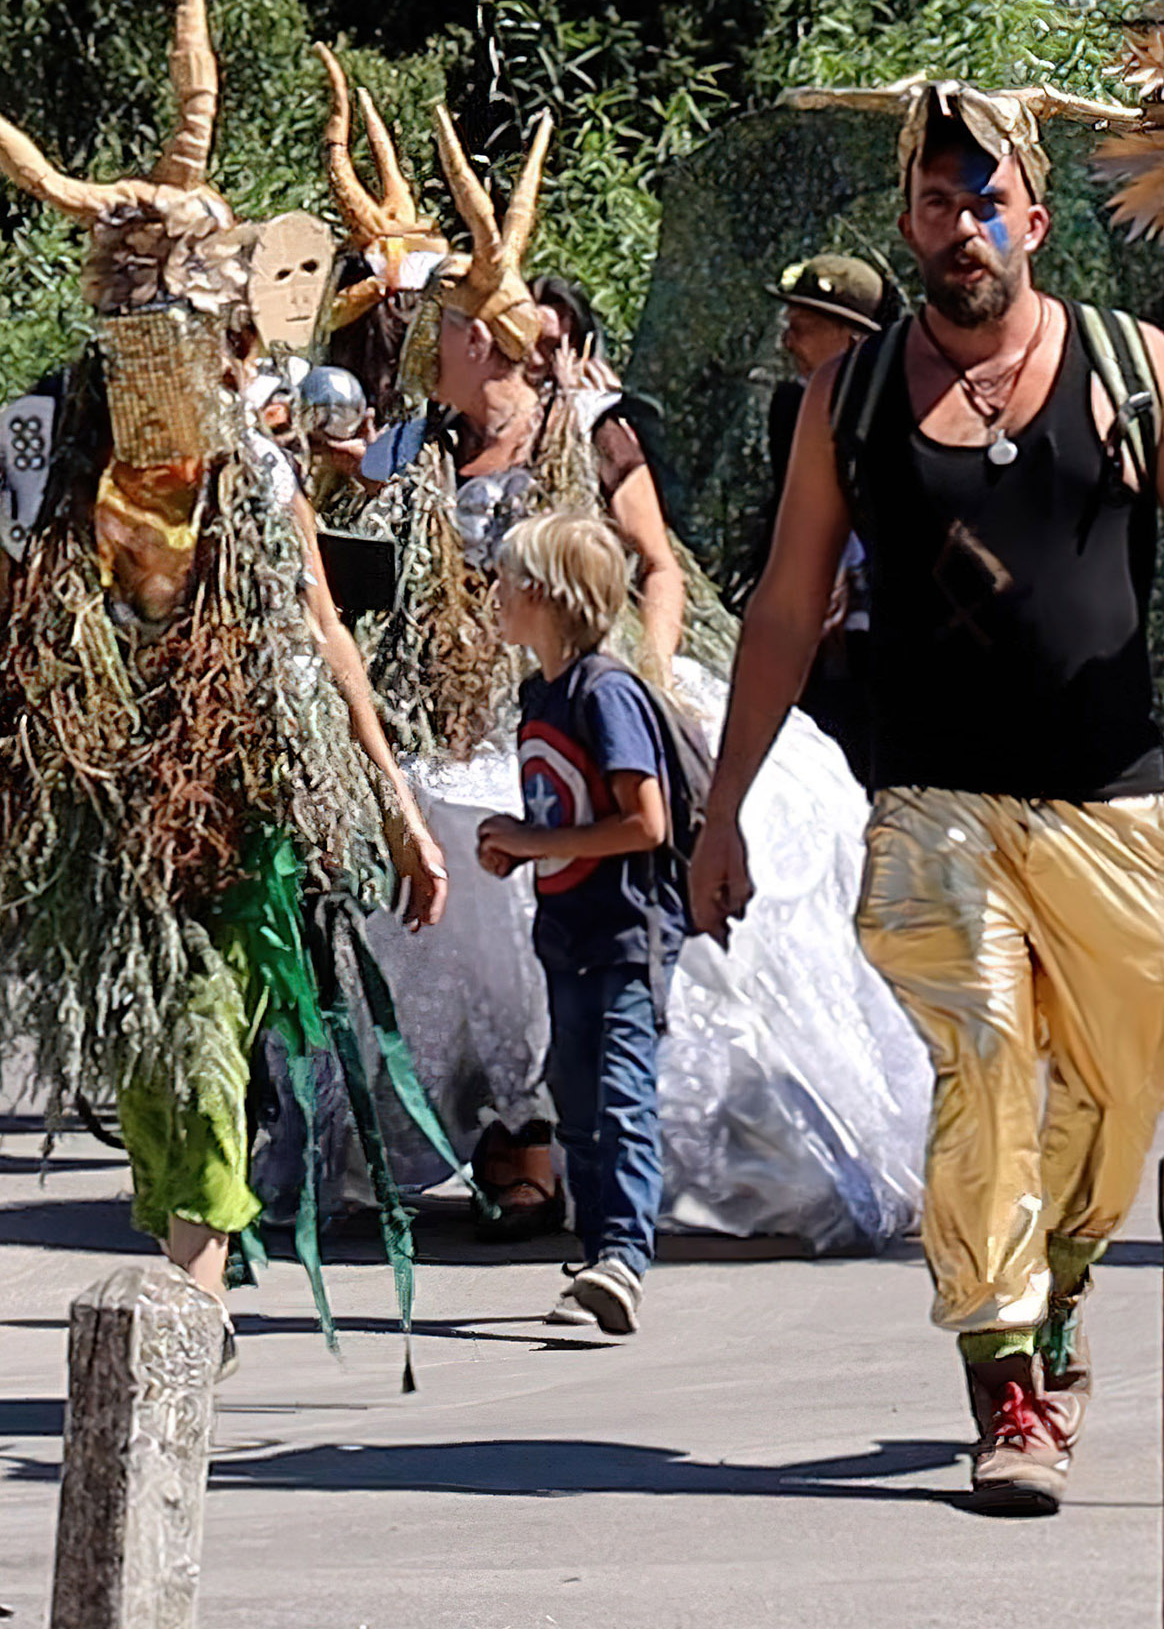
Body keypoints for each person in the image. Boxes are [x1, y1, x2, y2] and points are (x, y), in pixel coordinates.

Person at [688, 78, 1164, 1514]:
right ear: (911, 226)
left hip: (1109, 801)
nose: (960, 224)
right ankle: (1010, 1385)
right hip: (932, 807)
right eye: (935, 202)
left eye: (984, 202)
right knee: (981, 1057)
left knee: (1120, 1091)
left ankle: (1057, 1279)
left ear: (1032, 220)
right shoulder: (848, 395)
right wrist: (722, 808)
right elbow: (787, 611)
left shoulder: (1128, 361)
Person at [313, 90, 930, 1259]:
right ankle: (515, 1139)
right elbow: (348, 485)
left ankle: (626, 1139)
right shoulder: (426, 440)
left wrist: (645, 674)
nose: (424, 349)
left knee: (671, 865)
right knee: (450, 883)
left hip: (586, 692)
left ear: (485, 342)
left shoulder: (587, 426)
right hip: (473, 701)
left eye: (440, 330)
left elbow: (657, 567)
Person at [0, 0, 448, 1366]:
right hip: (108, 791)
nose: (168, 338)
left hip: (234, 779)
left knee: (206, 1017)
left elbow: (318, 621)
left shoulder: (257, 463)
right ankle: (188, 1242)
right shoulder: (45, 443)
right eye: (139, 309)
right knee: (149, 1041)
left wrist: (392, 805)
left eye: (187, 311)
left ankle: (192, 1287)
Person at [477, 513, 681, 1334]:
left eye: (503, 582)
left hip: (625, 934)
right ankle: (597, 1256)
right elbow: (559, 804)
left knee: (623, 1095)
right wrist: (520, 848)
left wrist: (536, 841)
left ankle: (623, 1257)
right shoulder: (541, 697)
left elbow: (645, 823)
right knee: (578, 1098)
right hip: (565, 933)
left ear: (541, 597)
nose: (493, 597)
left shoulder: (606, 694)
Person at [763, 253, 900, 781]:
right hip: (814, 648)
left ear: (854, 341)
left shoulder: (909, 423)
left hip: (887, 654)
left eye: (804, 329)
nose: (787, 343)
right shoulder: (791, 416)